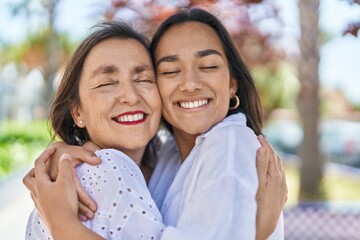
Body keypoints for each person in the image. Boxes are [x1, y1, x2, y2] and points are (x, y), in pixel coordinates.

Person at [24, 8, 287, 240]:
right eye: (170, 71)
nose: (190, 84)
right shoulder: (166, 155)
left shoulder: (228, 147)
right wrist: (65, 151)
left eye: (143, 79)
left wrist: (62, 224)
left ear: (232, 83)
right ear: (76, 112)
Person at [25, 21, 165, 239]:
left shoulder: (162, 161)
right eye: (106, 83)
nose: (131, 96)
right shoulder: (110, 168)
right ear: (77, 112)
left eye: (144, 79)